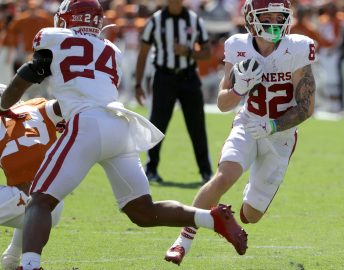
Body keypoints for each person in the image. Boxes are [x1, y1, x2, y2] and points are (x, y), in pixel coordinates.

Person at [0, 1, 247, 269]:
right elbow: (88, 87)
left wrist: (4, 104)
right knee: (143, 211)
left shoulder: (53, 38)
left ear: (65, 20)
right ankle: (212, 218)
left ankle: (30, 264)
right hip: (120, 124)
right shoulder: (111, 49)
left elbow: (29, 76)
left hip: (88, 124)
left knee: (39, 200)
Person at [165, 0, 316, 265]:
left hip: (279, 135)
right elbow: (223, 104)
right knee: (224, 177)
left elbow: (306, 107)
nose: (275, 23)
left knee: (252, 215)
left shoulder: (298, 48)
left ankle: (231, 213)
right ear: (250, 19)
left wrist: (272, 126)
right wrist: (239, 88)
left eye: (279, 17)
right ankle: (183, 239)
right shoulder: (238, 46)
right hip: (248, 122)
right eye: (266, 16)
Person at [135, 0, 213, 183]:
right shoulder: (155, 21)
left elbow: (207, 52)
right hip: (164, 77)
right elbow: (143, 52)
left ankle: (206, 172)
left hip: (189, 77)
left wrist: (188, 52)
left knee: (197, 126)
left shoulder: (194, 20)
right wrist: (138, 84)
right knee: (157, 124)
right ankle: (151, 169)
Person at [0, 84, 65, 270]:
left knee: (22, 193)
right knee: (27, 193)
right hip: (52, 205)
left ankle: (13, 256)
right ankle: (12, 256)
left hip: (30, 203)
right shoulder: (38, 108)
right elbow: (67, 104)